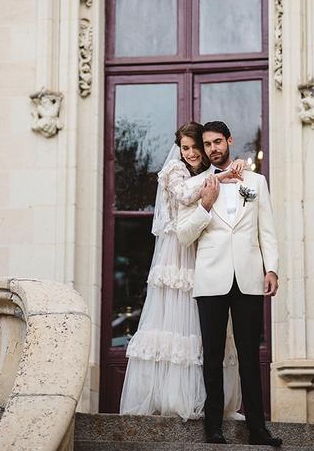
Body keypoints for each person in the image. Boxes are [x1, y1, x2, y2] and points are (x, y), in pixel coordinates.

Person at [120, 121, 245, 420]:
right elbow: (184, 195)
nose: (189, 153)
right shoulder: (174, 172)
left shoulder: (206, 173)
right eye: (184, 148)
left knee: (204, 329)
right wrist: (224, 174)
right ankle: (174, 397)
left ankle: (210, 400)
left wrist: (227, 171)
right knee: (176, 323)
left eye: (194, 148)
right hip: (177, 251)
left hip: (203, 248)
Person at [176, 121, 282, 447]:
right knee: (212, 356)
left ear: (229, 141)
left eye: (217, 142)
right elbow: (183, 235)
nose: (212, 149)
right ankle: (214, 427)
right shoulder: (198, 185)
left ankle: (258, 429)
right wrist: (205, 203)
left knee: (250, 355)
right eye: (207, 144)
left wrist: (272, 269)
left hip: (249, 279)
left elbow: (267, 230)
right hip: (211, 282)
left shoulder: (256, 182)